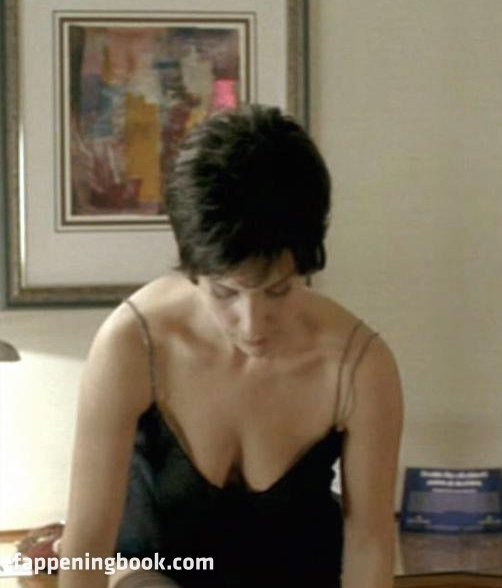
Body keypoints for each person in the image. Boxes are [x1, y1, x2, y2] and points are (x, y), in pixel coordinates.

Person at [59, 105, 403, 587]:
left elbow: (369, 542)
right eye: (224, 292)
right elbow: (88, 544)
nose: (252, 324)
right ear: (193, 270)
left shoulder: (359, 366)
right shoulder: (134, 345)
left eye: (278, 291)